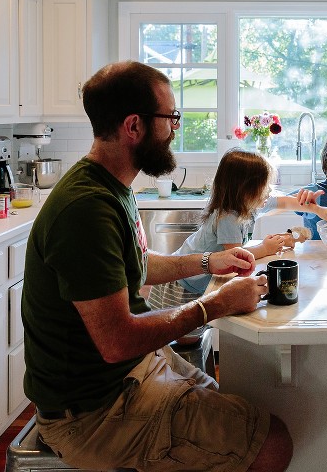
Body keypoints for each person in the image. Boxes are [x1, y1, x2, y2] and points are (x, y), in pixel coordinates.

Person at [22, 60, 293, 472]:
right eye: (171, 118)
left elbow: (136, 265)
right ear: (134, 126)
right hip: (93, 414)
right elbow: (116, 341)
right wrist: (215, 305)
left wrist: (207, 260)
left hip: (130, 375)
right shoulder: (86, 209)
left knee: (238, 407)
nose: (176, 128)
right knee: (273, 443)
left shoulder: (111, 185)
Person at [147, 147, 327, 339]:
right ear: (245, 189)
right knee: (181, 338)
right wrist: (265, 248)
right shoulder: (227, 217)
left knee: (192, 335)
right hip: (186, 283)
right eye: (264, 187)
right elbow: (236, 257)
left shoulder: (251, 205)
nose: (269, 192)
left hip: (200, 278)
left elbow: (285, 203)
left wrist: (318, 210)